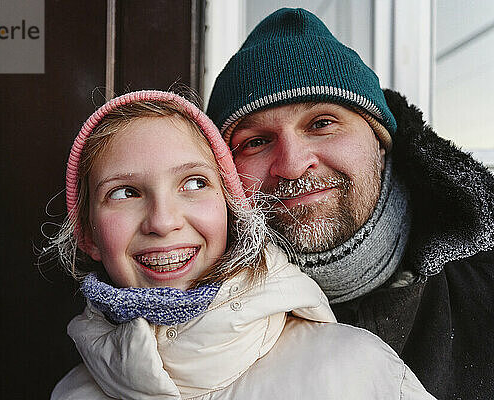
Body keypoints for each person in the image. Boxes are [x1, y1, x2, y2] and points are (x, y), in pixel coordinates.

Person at [49, 90, 434, 399]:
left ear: (231, 209)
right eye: (124, 193)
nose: (163, 221)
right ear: (87, 234)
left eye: (195, 183)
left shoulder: (354, 370)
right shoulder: (71, 392)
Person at [206, 7, 494, 400]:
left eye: (322, 123)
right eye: (256, 141)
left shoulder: (482, 291)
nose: (292, 164)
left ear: (379, 140)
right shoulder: (196, 333)